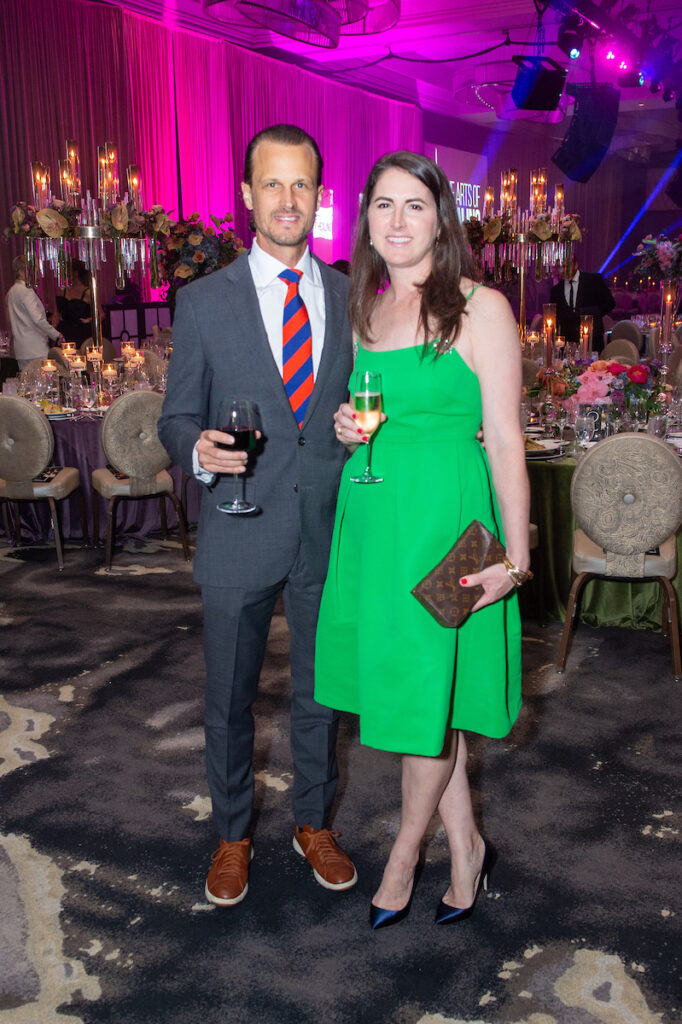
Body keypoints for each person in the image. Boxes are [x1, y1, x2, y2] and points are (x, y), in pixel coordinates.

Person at [315, 151, 531, 929]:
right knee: (424, 696)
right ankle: (467, 849)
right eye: (382, 206)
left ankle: (403, 859)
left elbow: (505, 438)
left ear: (442, 218)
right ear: (366, 221)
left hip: (447, 528)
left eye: (414, 205)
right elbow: (377, 420)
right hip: (377, 521)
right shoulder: (368, 310)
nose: (398, 221)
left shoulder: (481, 308)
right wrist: (349, 430)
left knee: (419, 700)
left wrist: (516, 555)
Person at [158, 124, 356, 908]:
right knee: (229, 698)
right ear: (246, 195)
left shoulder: (347, 294)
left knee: (320, 691)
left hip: (326, 530)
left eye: (301, 185)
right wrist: (201, 451)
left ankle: (314, 822)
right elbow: (176, 419)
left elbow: (359, 405)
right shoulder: (204, 302)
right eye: (271, 184)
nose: (287, 200)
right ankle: (233, 834)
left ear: (318, 196)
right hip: (237, 526)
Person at [6, 255, 63, 368]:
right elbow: (37, 319)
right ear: (21, 272)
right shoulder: (26, 290)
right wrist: (56, 334)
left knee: (26, 382)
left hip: (21, 349)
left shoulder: (11, 291)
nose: (36, 273)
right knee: (42, 381)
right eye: (33, 270)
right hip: (35, 348)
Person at [550, 255, 615, 350]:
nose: (561, 271)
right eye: (558, 267)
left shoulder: (593, 280)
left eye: (564, 266)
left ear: (575, 265)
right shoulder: (556, 290)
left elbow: (610, 303)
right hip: (568, 345)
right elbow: (556, 317)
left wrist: (588, 312)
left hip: (592, 341)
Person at [55, 259, 92, 345]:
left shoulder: (88, 292)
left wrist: (89, 320)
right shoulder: (62, 290)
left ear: (75, 273)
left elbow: (100, 314)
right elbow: (56, 314)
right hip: (64, 331)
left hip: (81, 332)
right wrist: (52, 331)